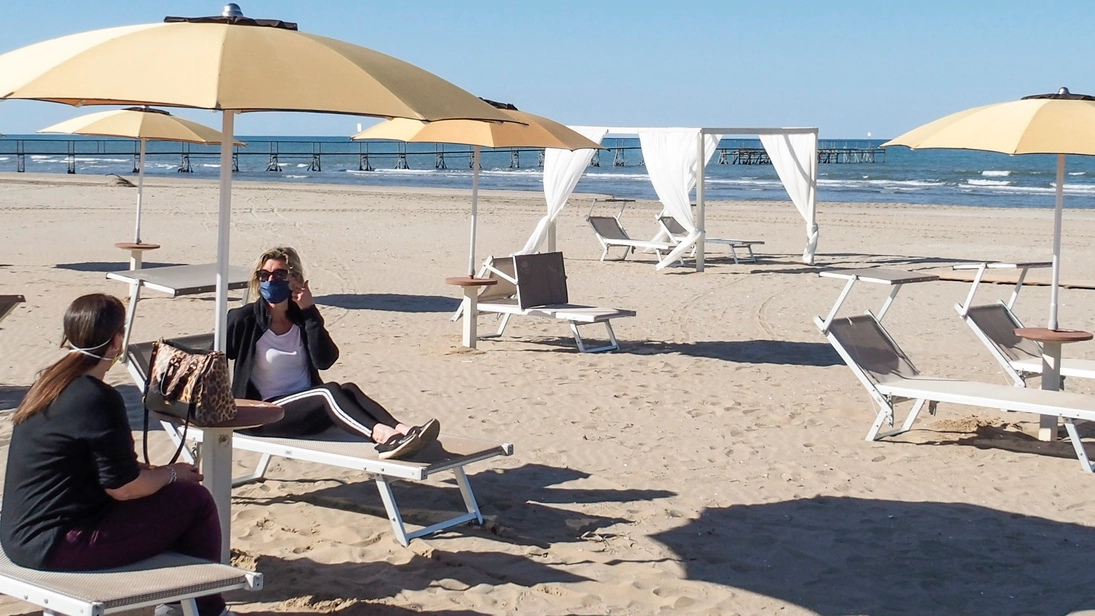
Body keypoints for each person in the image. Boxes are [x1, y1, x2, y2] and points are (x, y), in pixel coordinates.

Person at [0, 294, 227, 616]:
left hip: (19, 537)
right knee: (194, 500)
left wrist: (153, 475)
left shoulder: (48, 384)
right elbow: (123, 488)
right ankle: (206, 610)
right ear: (117, 339)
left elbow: (93, 466)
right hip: (58, 545)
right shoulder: (98, 398)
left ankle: (176, 604)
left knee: (165, 495)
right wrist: (172, 474)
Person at [227, 246, 439, 460]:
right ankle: (385, 438)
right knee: (326, 392)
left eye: (280, 275)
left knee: (348, 390)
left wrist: (309, 311)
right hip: (266, 414)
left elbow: (325, 360)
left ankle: (404, 431)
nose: (271, 281)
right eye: (264, 275)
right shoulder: (244, 319)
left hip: (306, 408)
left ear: (295, 279)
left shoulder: (300, 317)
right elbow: (213, 358)